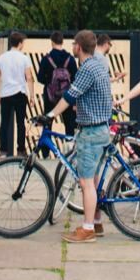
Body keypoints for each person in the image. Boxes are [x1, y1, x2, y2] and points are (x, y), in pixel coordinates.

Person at [43, 29, 113, 241]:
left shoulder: (87, 69)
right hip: (101, 129)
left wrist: (51, 114)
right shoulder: (98, 66)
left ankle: (88, 228)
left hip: (91, 132)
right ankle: (97, 223)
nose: (71, 46)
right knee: (95, 180)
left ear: (78, 47)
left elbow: (70, 95)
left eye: (73, 43)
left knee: (86, 183)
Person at [0, 30, 33, 155]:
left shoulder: (2, 57)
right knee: (20, 123)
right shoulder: (24, 58)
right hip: (20, 93)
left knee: (4, 123)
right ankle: (21, 149)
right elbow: (29, 77)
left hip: (6, 93)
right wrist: (31, 95)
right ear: (20, 43)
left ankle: (3, 150)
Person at [39, 31, 77, 136]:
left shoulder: (46, 59)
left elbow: (40, 78)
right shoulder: (70, 59)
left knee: (47, 124)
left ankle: (46, 152)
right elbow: (75, 79)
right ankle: (69, 150)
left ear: (52, 42)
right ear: (62, 41)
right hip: (67, 96)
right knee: (69, 126)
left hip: (50, 97)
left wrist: (49, 82)